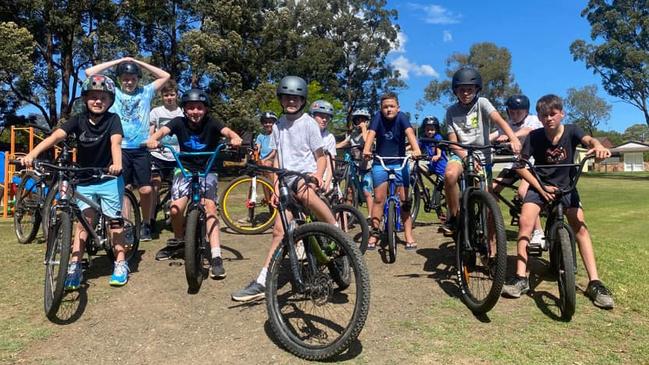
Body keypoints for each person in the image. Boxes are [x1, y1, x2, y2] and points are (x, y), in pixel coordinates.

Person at [502, 94, 614, 309]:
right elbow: (521, 166)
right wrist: (540, 187)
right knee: (526, 222)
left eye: (553, 114)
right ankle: (520, 278)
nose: (549, 119)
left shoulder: (572, 130)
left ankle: (595, 282)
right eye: (544, 115)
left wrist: (598, 145)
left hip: (566, 187)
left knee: (580, 225)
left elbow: (589, 141)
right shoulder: (534, 137)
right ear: (539, 117)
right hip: (541, 186)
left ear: (562, 114)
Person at [231, 76, 337, 302]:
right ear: (280, 99)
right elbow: (279, 157)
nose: (291, 102)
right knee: (279, 231)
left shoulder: (309, 123)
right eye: (287, 97)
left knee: (305, 193)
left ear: (302, 100)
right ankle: (263, 280)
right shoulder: (278, 125)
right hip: (286, 178)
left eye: (296, 98)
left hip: (305, 176)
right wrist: (277, 185)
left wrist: (318, 176)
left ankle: (335, 228)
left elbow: (320, 157)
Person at [22, 75, 129, 287]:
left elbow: (115, 143)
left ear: (110, 101)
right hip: (84, 179)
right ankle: (74, 265)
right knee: (83, 222)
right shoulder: (78, 120)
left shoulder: (112, 120)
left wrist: (117, 164)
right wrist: (32, 154)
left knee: (114, 223)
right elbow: (55, 137)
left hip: (108, 177)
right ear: (85, 99)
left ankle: (120, 262)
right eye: (93, 97)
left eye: (103, 97)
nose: (98, 101)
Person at [145, 89, 242, 277]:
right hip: (185, 168)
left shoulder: (212, 122)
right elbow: (162, 132)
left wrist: (235, 138)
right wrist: (153, 140)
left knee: (210, 208)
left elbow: (228, 132)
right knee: (174, 209)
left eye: (199, 108)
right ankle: (180, 241)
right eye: (190, 108)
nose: (195, 112)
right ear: (184, 109)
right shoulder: (178, 122)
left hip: (208, 169)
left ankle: (216, 256)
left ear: (205, 110)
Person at [85, 57, 171, 242]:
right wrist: (119, 60)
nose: (129, 82)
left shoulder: (146, 92)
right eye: (124, 78)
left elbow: (165, 76)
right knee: (123, 189)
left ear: (138, 79)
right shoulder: (113, 92)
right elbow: (89, 73)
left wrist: (138, 63)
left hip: (141, 148)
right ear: (118, 80)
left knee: (146, 189)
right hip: (120, 148)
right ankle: (127, 226)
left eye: (132, 78)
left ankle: (147, 223)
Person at [440, 67, 521, 236]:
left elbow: (499, 121)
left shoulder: (482, 103)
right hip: (460, 153)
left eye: (470, 89)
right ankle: (454, 217)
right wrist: (466, 158)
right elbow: (453, 143)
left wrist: (513, 138)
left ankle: (492, 247)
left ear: (477, 89)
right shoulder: (451, 112)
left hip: (483, 156)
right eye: (462, 90)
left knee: (489, 203)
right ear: (456, 91)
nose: (466, 93)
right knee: (449, 175)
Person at [362, 92, 421, 250]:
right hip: (380, 162)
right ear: (381, 109)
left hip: (400, 163)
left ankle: (408, 234)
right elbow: (371, 135)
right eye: (385, 107)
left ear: (398, 107)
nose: (389, 109)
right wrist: (367, 149)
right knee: (379, 199)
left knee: (404, 200)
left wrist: (416, 149)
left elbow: (410, 133)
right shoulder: (377, 118)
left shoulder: (402, 117)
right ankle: (375, 234)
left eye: (392, 106)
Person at [490, 94, 545, 246]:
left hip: (531, 163)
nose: (515, 115)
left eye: (518, 112)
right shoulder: (508, 123)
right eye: (512, 112)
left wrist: (510, 136)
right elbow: (495, 134)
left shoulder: (533, 120)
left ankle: (538, 232)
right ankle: (493, 223)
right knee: (491, 190)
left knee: (523, 193)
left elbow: (528, 131)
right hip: (513, 164)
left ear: (526, 111)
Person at [149, 80, 184, 240]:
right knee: (154, 185)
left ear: (177, 95)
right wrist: (151, 142)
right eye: (166, 95)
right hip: (158, 155)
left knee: (177, 188)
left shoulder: (183, 113)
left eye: (172, 94)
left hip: (177, 156)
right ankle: (149, 221)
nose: (169, 98)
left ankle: (174, 215)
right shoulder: (156, 112)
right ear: (162, 96)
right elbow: (151, 132)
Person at [336, 108, 374, 217]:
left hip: (367, 166)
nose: (360, 122)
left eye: (362, 120)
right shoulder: (352, 135)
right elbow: (343, 143)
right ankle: (348, 213)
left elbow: (367, 142)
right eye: (357, 120)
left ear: (367, 121)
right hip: (354, 165)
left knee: (367, 191)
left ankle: (370, 216)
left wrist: (364, 129)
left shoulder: (369, 133)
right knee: (349, 190)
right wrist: (330, 147)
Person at [310, 99, 337, 191]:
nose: (324, 119)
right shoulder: (303, 133)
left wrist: (328, 182)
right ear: (312, 116)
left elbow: (331, 162)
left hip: (324, 175)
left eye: (327, 117)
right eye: (321, 116)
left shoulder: (329, 137)